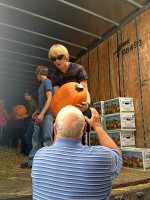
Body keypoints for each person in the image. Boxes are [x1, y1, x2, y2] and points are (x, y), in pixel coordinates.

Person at [32, 106, 122, 200]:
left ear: (54, 129)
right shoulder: (104, 157)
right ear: (84, 129)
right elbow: (117, 154)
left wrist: (57, 131)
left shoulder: (39, 156)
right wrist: (97, 126)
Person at [48, 44, 91, 143]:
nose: (57, 61)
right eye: (54, 59)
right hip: (65, 109)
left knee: (80, 138)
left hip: (80, 106)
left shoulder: (78, 69)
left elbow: (84, 90)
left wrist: (87, 105)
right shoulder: (54, 76)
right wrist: (56, 112)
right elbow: (58, 96)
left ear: (65, 56)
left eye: (59, 57)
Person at [20, 66, 53, 168]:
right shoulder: (41, 85)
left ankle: (48, 166)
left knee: (47, 139)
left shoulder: (47, 82)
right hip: (40, 115)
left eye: (36, 74)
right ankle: (32, 162)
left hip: (46, 116)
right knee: (36, 139)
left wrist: (42, 114)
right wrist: (37, 112)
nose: (36, 77)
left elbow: (49, 99)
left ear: (39, 73)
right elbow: (42, 102)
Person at [15, 89, 37, 155]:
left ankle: (30, 153)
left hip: (32, 121)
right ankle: (25, 152)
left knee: (27, 136)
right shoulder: (28, 102)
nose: (25, 96)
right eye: (24, 95)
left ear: (30, 95)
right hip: (28, 121)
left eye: (26, 95)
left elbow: (29, 114)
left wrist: (20, 117)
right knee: (25, 136)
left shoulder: (31, 102)